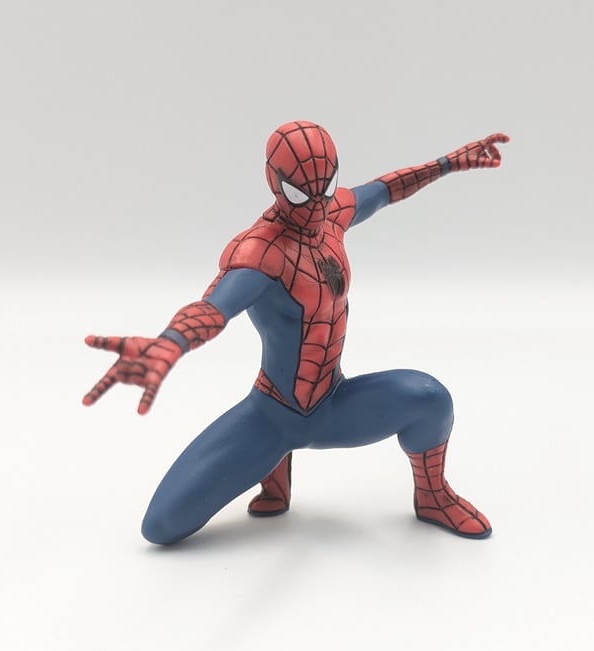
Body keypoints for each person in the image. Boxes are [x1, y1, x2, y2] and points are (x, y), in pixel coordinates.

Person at [84, 121, 509, 545]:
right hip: (274, 415)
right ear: (275, 183)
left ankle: (433, 497)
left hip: (333, 402)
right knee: (160, 526)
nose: (316, 207)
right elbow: (214, 306)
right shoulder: (261, 251)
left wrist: (448, 163)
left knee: (431, 399)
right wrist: (170, 343)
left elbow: (384, 190)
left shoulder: (332, 213)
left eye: (327, 188)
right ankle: (274, 474)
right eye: (300, 194)